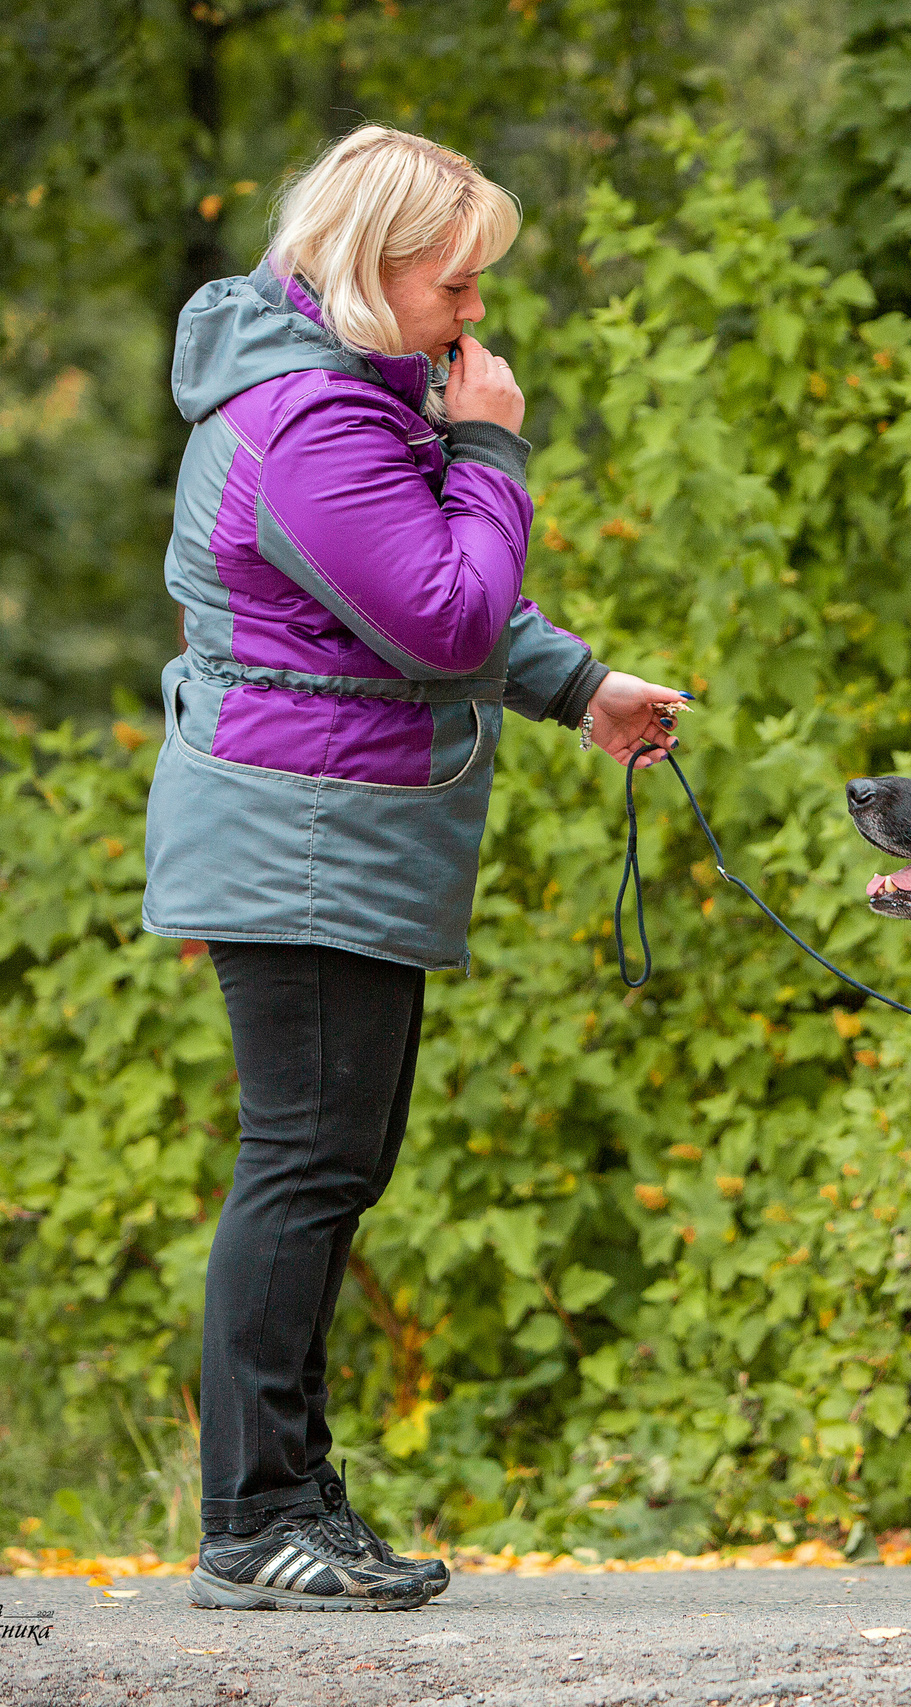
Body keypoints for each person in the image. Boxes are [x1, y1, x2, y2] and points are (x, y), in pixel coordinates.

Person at [140, 125, 688, 1612]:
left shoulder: (347, 400)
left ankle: (297, 1498)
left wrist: (582, 689)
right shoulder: (313, 417)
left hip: (338, 828)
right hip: (299, 831)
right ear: (372, 271)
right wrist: (499, 450)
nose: (476, 318)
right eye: (458, 287)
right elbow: (443, 616)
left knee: (332, 1167)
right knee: (305, 1165)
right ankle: (253, 1523)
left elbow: (398, 596)